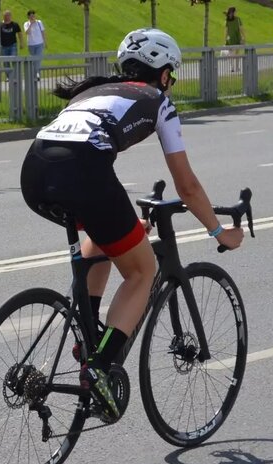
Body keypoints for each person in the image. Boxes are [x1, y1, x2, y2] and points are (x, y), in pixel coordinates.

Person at [19, 28, 244, 421]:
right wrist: (219, 231)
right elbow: (187, 186)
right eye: (171, 75)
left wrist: (125, 228)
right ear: (162, 73)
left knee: (107, 237)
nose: (170, 84)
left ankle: (86, 334)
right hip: (82, 173)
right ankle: (98, 366)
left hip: (35, 172)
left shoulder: (90, 93)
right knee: (143, 270)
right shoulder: (158, 101)